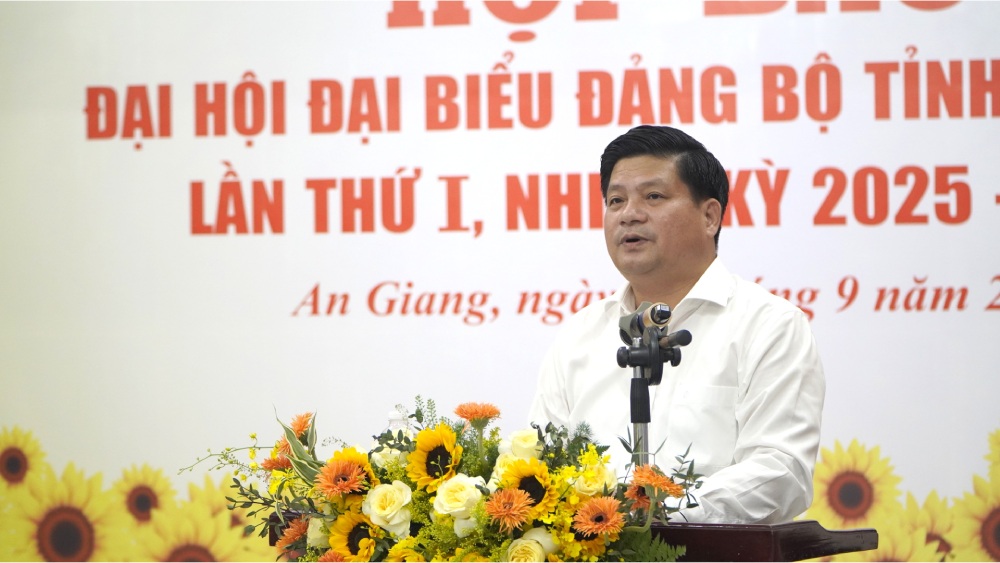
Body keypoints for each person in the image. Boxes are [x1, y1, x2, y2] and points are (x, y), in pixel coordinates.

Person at [528, 125, 825, 524]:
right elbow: (539, 464)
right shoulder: (580, 336)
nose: (629, 214)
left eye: (654, 196)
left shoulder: (767, 325)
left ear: (710, 216)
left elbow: (781, 473)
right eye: (615, 200)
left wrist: (654, 516)